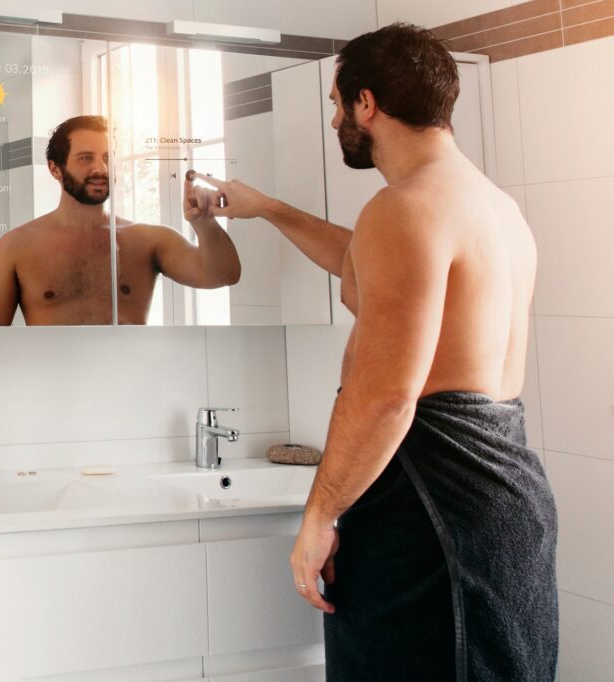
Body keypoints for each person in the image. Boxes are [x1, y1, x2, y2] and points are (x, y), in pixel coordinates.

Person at [195, 23, 557, 682]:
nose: (337, 120)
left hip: (431, 510)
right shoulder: (492, 208)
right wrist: (269, 208)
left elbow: (388, 396)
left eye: (337, 104)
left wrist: (320, 516)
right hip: (499, 504)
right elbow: (371, 273)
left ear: (367, 103)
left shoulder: (402, 209)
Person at [0, 115, 241, 325]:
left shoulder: (148, 241)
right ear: (55, 168)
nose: (100, 168)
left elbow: (223, 276)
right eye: (85, 158)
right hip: (52, 388)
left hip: (132, 386)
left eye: (106, 157)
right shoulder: (16, 247)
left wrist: (205, 225)